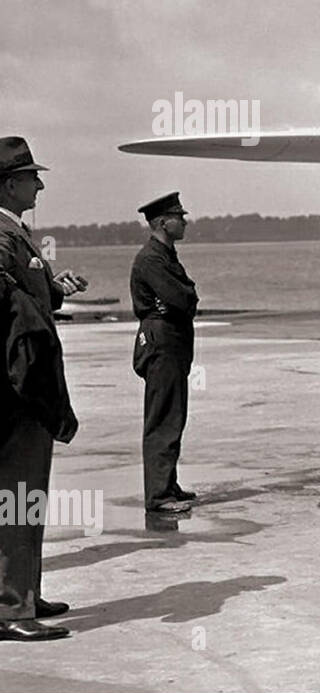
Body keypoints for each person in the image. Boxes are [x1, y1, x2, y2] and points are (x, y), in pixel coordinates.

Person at [0, 136, 84, 642]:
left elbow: (23, 291)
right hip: (17, 390)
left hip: (23, 385)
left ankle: (24, 592)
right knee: (18, 494)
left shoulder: (16, 233)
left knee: (22, 496)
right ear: (9, 183)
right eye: (32, 176)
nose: (40, 184)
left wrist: (53, 286)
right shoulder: (0, 234)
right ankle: (12, 607)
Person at [130, 192, 200, 513]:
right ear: (162, 222)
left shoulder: (165, 255)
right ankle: (158, 495)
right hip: (162, 341)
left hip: (172, 340)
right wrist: (185, 296)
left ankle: (168, 485)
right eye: (178, 217)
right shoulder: (152, 259)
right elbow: (181, 298)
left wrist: (184, 297)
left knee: (174, 415)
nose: (184, 221)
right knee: (163, 418)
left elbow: (183, 297)